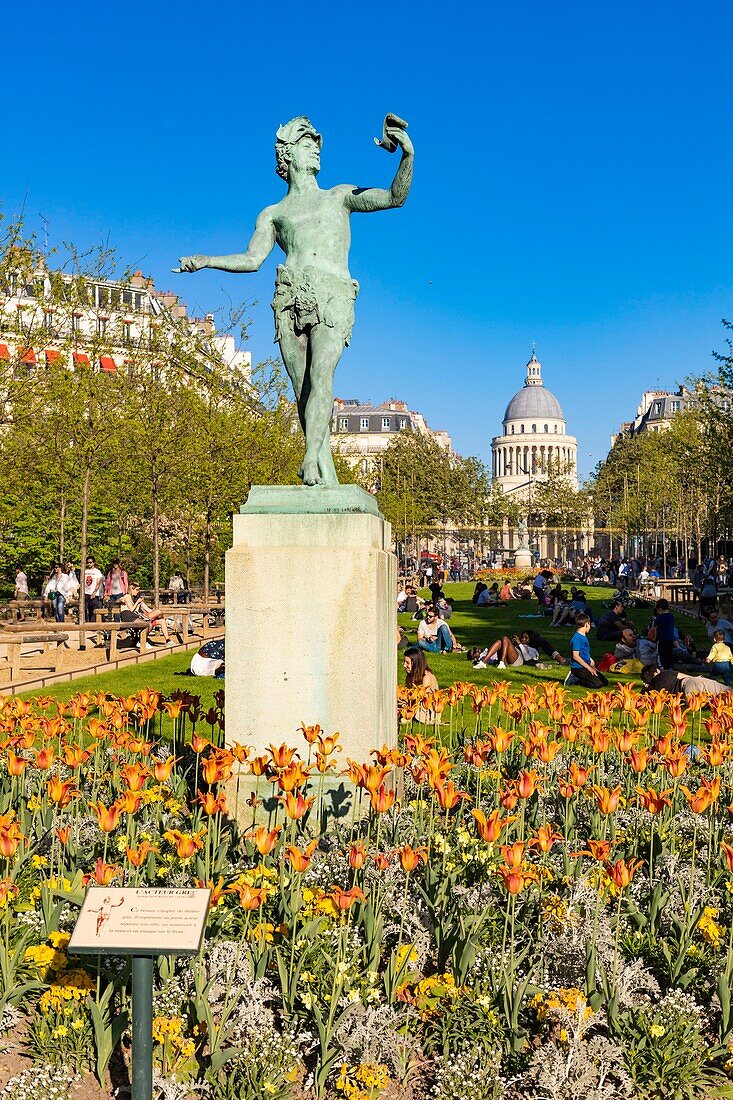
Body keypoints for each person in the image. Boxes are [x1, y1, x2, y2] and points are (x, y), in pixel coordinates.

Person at [177, 115, 413, 486]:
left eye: (317, 144)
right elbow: (252, 259)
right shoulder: (273, 214)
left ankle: (308, 459)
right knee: (302, 390)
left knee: (322, 378)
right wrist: (207, 261)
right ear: (287, 156)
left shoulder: (340, 196)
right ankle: (324, 469)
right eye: (307, 144)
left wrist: (407, 156)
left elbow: (394, 198)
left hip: (331, 294)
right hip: (288, 297)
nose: (316, 148)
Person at [118, 582, 173, 646]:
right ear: (132, 589)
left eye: (139, 590)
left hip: (142, 616)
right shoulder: (128, 597)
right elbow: (131, 610)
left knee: (161, 619)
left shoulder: (135, 598)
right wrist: (137, 603)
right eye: (137, 590)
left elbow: (148, 610)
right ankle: (142, 641)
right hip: (134, 616)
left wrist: (152, 613)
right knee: (156, 615)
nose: (138, 592)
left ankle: (168, 640)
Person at [640, 664, 731, 698]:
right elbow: (684, 676)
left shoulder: (654, 690)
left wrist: (646, 686)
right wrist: (698, 678)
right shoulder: (664, 673)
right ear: (656, 671)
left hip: (686, 695)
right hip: (689, 683)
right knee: (728, 691)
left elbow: (642, 695)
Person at [568, 613, 608, 688]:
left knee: (604, 682)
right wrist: (589, 668)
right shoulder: (577, 638)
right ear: (587, 624)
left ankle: (583, 677)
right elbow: (575, 656)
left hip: (586, 665)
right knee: (597, 684)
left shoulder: (583, 637)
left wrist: (591, 662)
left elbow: (584, 653)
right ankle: (575, 679)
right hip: (578, 668)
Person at [469, 634, 540, 670]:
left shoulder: (533, 651)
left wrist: (512, 645)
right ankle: (501, 663)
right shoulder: (481, 656)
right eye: (475, 652)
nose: (476, 650)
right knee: (505, 639)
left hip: (517, 656)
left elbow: (528, 658)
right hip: (517, 659)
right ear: (474, 658)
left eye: (475, 648)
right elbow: (527, 658)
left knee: (500, 642)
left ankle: (484, 663)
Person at [649, 599, 676, 669]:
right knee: (669, 654)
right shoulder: (672, 617)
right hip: (670, 639)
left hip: (661, 640)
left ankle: (662, 666)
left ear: (659, 609)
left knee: (661, 655)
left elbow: (654, 628)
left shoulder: (659, 618)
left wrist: (654, 637)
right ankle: (670, 667)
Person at [84, 557, 105, 624]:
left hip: (94, 593)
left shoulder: (97, 572)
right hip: (86, 592)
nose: (89, 564)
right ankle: (87, 623)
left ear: (93, 563)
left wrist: (94, 592)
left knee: (94, 610)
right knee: (87, 609)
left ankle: (93, 625)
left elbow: (98, 583)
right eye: (88, 562)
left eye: (90, 562)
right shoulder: (85, 571)